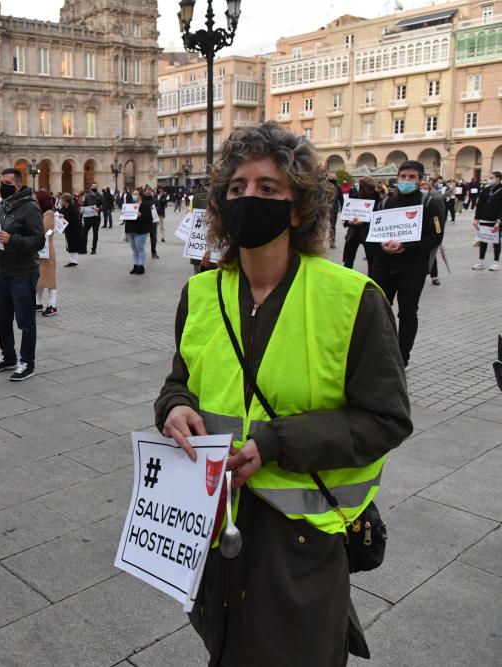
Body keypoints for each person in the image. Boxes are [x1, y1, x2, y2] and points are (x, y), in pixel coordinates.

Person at [155, 121, 411, 667]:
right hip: (215, 526)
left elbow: (386, 419)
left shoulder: (352, 299)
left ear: (298, 207)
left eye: (268, 188)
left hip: (301, 541)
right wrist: (174, 407)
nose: (250, 197)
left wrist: (276, 442)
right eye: (237, 188)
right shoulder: (201, 292)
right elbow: (181, 379)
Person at [366, 160, 445, 370]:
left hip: (413, 269)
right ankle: (378, 352)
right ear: (397, 178)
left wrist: (406, 246)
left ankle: (403, 357)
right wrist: (383, 247)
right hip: (383, 266)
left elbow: (436, 236)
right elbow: (372, 236)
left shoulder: (430, 204)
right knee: (378, 311)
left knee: (407, 313)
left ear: (420, 180)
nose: (406, 181)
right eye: (403, 177)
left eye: (412, 178)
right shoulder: (385, 204)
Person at [0, 167, 45, 381]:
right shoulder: (3, 207)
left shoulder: (30, 208)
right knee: (0, 317)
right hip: (2, 270)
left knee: (25, 320)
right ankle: (8, 355)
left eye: (7, 182)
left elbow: (39, 240)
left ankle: (27, 361)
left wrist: (12, 240)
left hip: (23, 271)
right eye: (1, 181)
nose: (2, 185)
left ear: (19, 184)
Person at [342, 176, 378, 270]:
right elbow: (347, 213)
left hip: (369, 233)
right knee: (348, 259)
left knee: (371, 259)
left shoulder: (377, 196)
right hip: (354, 232)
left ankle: (371, 278)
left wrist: (364, 222)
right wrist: (348, 221)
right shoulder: (354, 195)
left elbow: (378, 216)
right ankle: (347, 276)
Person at [471, 170, 502, 271]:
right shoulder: (486, 189)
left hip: (496, 220)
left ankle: (496, 262)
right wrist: (476, 218)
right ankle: (481, 262)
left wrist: (499, 221)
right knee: (483, 240)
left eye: (492, 178)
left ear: (498, 178)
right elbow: (480, 204)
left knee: (496, 242)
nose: (490, 180)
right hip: (484, 219)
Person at [35, 191, 58, 317]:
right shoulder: (40, 213)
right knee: (40, 278)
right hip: (40, 249)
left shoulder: (49, 213)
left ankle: (52, 305)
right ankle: (38, 303)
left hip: (47, 250)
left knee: (49, 278)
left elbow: (46, 229)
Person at [127, 189, 152, 274]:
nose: (134, 195)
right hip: (131, 230)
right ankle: (135, 265)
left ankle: (141, 266)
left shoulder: (146, 205)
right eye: (133, 194)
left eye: (136, 194)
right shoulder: (130, 205)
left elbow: (149, 218)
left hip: (141, 230)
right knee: (134, 249)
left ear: (140, 195)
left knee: (140, 248)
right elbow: (127, 219)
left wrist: (141, 215)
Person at [59, 193, 84, 267]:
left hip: (74, 229)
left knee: (73, 244)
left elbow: (74, 219)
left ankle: (74, 261)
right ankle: (72, 260)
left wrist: (64, 216)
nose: (60, 201)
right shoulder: (64, 207)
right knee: (70, 244)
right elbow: (61, 214)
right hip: (68, 229)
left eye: (61, 199)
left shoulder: (72, 208)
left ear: (66, 200)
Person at [82, 183, 102, 254]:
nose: (94, 187)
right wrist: (82, 209)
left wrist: (99, 209)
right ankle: (84, 249)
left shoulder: (100, 196)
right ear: (91, 187)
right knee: (84, 232)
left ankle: (94, 249)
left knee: (95, 233)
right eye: (93, 186)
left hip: (96, 218)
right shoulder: (87, 196)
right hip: (87, 217)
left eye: (96, 186)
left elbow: (103, 206)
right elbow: (84, 205)